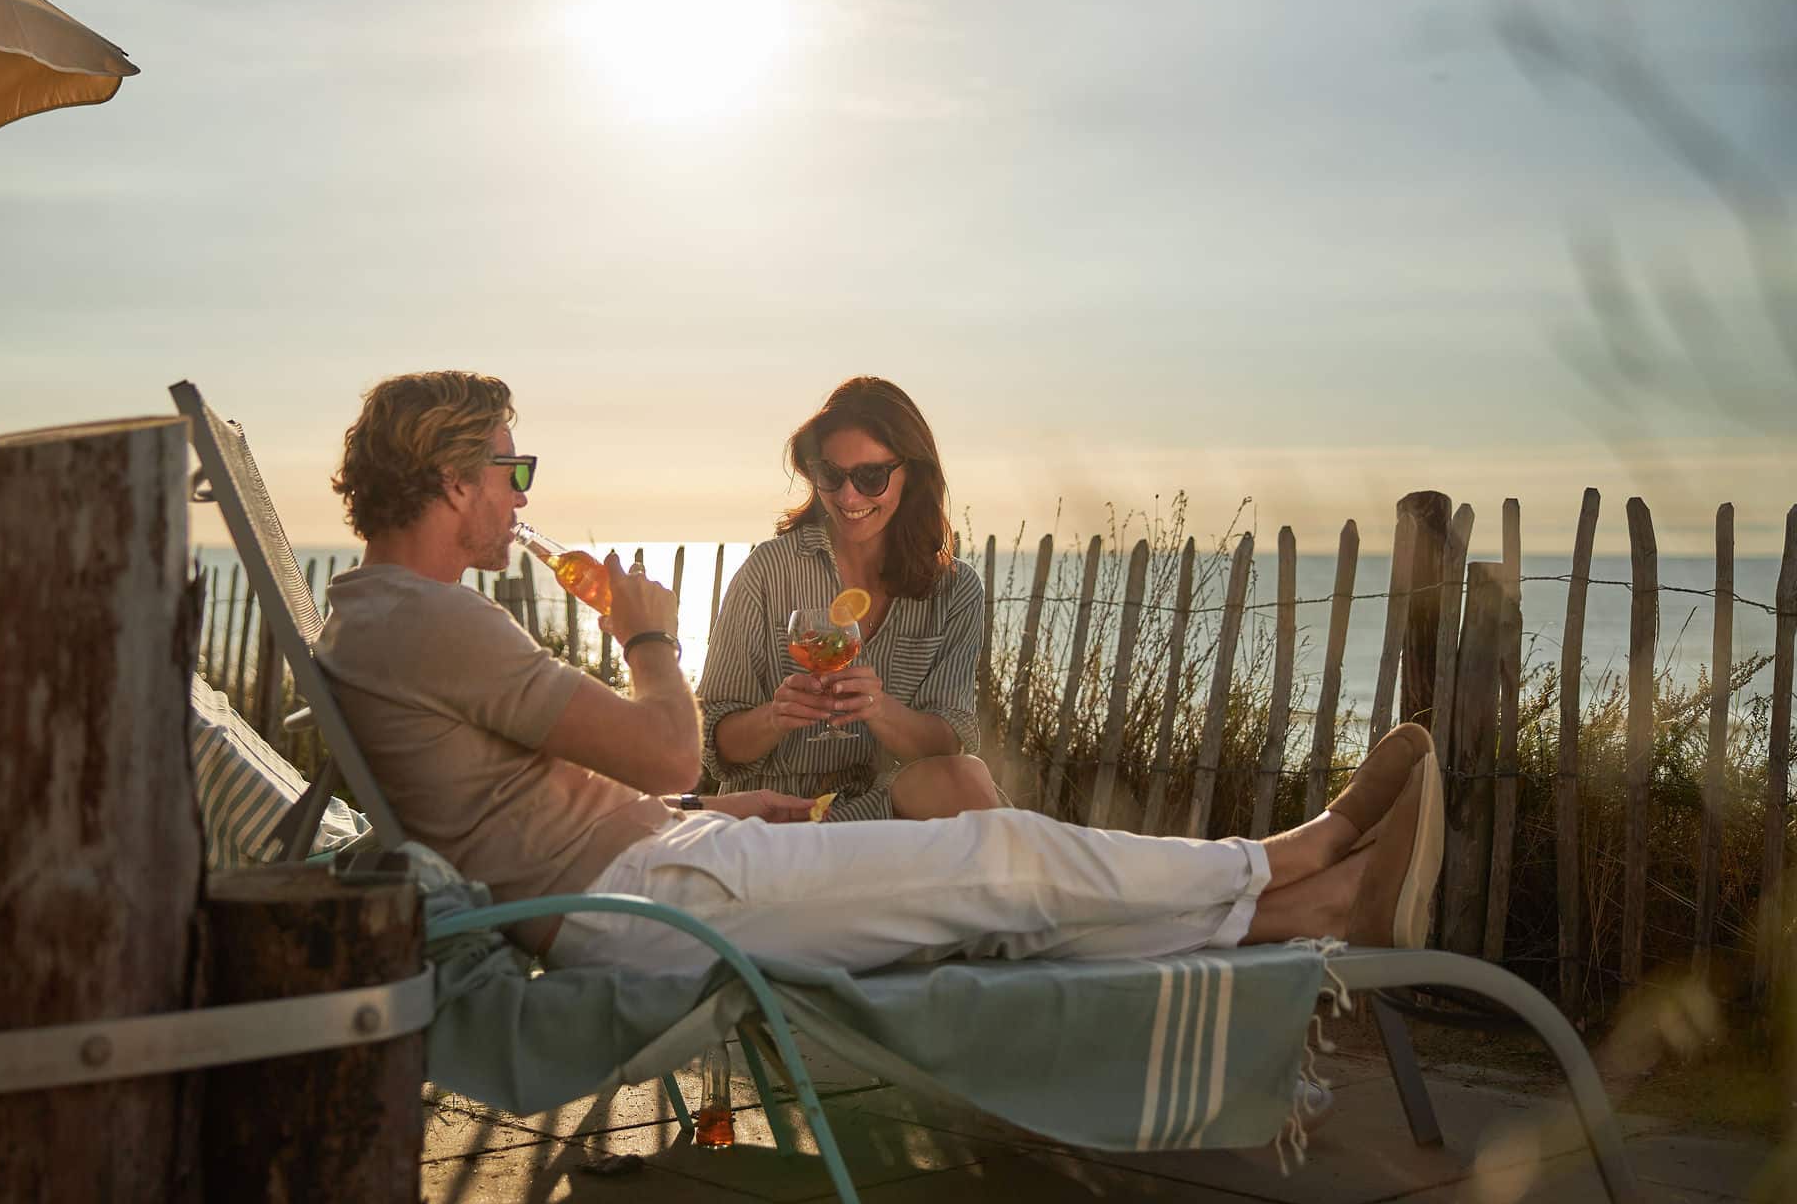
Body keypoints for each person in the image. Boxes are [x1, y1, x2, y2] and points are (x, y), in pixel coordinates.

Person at [314, 370, 1443, 977]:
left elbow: (581, 785)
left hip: (667, 859)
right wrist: (645, 635)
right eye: (510, 465)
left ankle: (1312, 897)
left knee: (992, 872)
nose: (521, 490)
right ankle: (1302, 869)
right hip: (648, 909)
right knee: (1000, 862)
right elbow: (667, 734)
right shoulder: (427, 621)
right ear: (455, 481)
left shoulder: (395, 619)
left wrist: (702, 805)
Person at [699, 377, 1001, 822]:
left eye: (870, 476)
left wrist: (880, 710)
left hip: (884, 808)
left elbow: (946, 744)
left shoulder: (954, 591)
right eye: (831, 475)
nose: (848, 496)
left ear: (912, 474)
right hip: (778, 812)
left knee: (966, 778)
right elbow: (716, 743)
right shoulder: (768, 572)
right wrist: (775, 717)